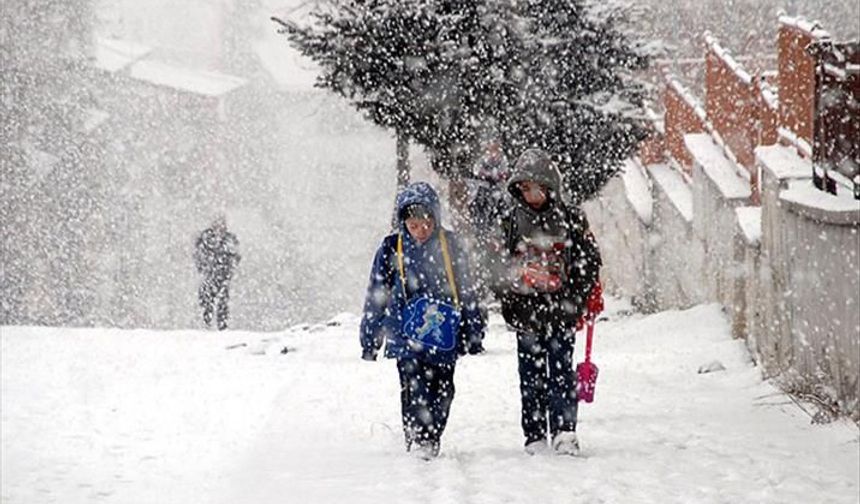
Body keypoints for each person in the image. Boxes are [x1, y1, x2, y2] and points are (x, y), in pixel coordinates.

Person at [360, 182, 485, 460]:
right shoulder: (393, 247)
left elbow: (467, 289)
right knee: (413, 386)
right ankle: (418, 437)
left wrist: (473, 329)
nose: (420, 231)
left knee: (443, 389)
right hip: (405, 333)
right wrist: (370, 337)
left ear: (436, 219)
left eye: (426, 223)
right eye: (414, 225)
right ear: (404, 222)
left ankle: (432, 434)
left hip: (444, 333)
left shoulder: (450, 245)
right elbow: (377, 293)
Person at [497, 148, 604, 456]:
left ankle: (565, 430)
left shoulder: (570, 219)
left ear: (550, 187)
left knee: (560, 372)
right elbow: (496, 263)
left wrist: (576, 297)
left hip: (562, 310)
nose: (531, 195)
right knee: (530, 375)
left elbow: (588, 260)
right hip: (526, 311)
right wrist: (511, 295)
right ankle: (534, 433)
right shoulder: (510, 222)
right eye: (525, 188)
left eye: (537, 188)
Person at [194, 216, 241, 330]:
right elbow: (199, 255)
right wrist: (204, 266)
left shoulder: (229, 239)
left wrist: (230, 267)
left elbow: (236, 256)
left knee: (222, 300)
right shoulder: (206, 238)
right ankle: (206, 324)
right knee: (207, 299)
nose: (220, 227)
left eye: (222, 224)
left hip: (223, 274)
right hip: (210, 274)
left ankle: (221, 325)